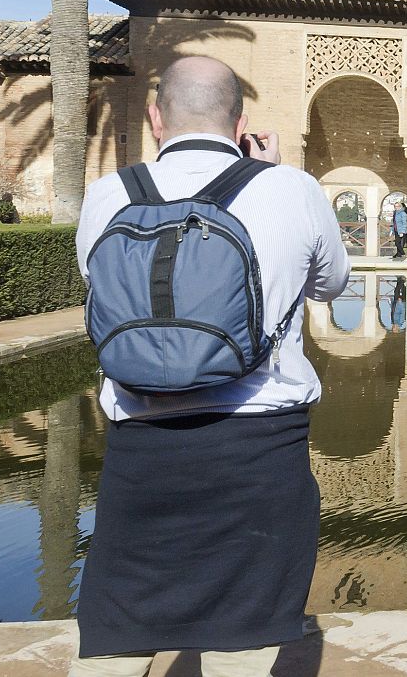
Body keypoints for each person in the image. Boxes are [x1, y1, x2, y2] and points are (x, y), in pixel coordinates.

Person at [70, 56, 350, 677]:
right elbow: (330, 284)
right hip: (260, 449)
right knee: (239, 646)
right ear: (240, 122)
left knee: (117, 639)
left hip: (141, 451)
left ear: (155, 117)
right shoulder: (292, 189)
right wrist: (274, 174)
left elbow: (101, 291)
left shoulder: (108, 195)